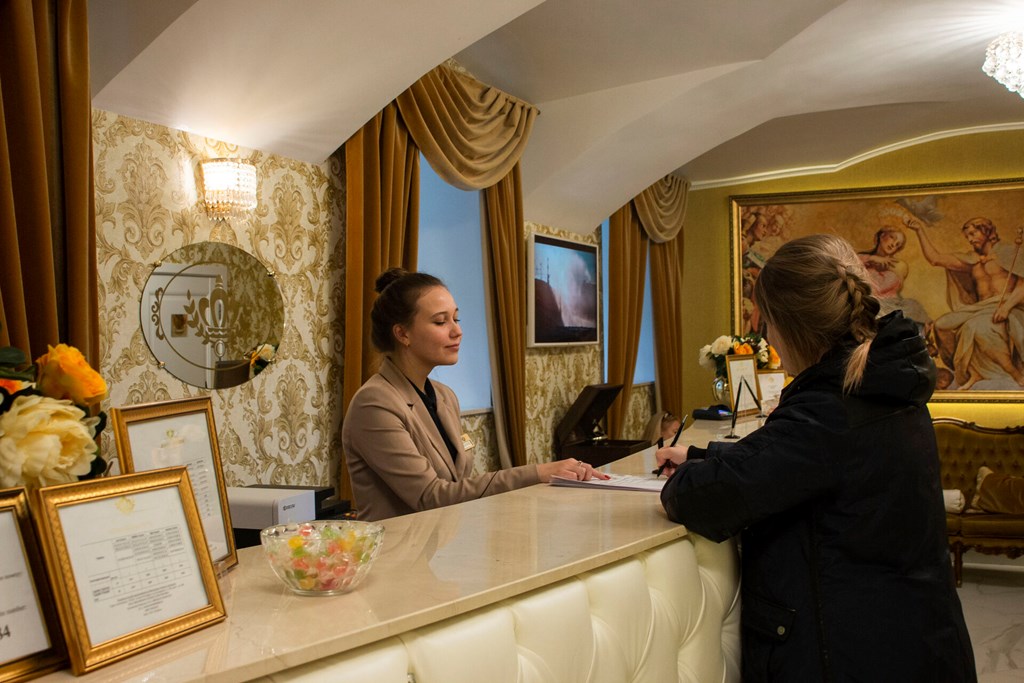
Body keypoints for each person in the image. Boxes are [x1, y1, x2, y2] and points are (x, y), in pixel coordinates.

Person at [655, 235, 976, 682]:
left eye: (766, 322)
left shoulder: (827, 411)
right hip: (912, 640)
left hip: (849, 658)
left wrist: (689, 471)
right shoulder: (884, 384)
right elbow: (805, 464)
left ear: (787, 326)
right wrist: (702, 451)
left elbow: (698, 496)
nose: (767, 335)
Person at [342, 268, 606, 521]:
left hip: (444, 548)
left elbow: (461, 479)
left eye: (456, 319)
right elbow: (431, 496)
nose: (457, 331)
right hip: (398, 556)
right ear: (402, 333)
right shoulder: (375, 404)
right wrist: (537, 472)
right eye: (440, 321)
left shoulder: (445, 397)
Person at [907, 216, 1024, 389]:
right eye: (967, 236)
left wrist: (1006, 308)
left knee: (976, 327)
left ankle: (1015, 373)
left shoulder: (1010, 252)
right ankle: (970, 371)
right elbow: (935, 259)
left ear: (986, 230)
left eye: (973, 233)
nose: (970, 239)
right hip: (980, 308)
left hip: (1008, 305)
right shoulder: (972, 260)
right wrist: (919, 230)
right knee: (942, 324)